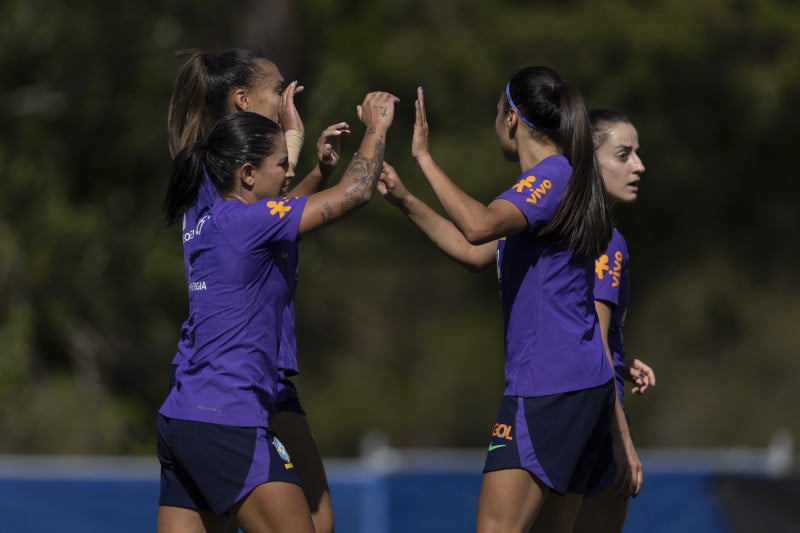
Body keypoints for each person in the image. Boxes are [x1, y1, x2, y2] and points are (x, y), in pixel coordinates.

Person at [378, 68, 640, 532]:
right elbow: (474, 251)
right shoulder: (551, 191)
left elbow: (478, 225)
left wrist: (424, 158)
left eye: (497, 113)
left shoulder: (553, 176)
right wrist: (405, 200)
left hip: (547, 384)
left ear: (513, 120)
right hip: (579, 387)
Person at [157, 92, 397, 532]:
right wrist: (377, 127)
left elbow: (285, 212)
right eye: (280, 164)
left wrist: (312, 162)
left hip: (181, 419)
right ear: (247, 174)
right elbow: (358, 190)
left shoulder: (212, 221)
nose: (289, 171)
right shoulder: (252, 222)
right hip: (228, 418)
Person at [570, 109, 657, 533]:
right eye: (624, 155)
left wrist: (621, 361)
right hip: (597, 421)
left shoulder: (561, 230)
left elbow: (572, 329)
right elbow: (596, 343)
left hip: (554, 411)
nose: (639, 166)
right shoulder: (607, 238)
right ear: (588, 160)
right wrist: (622, 443)